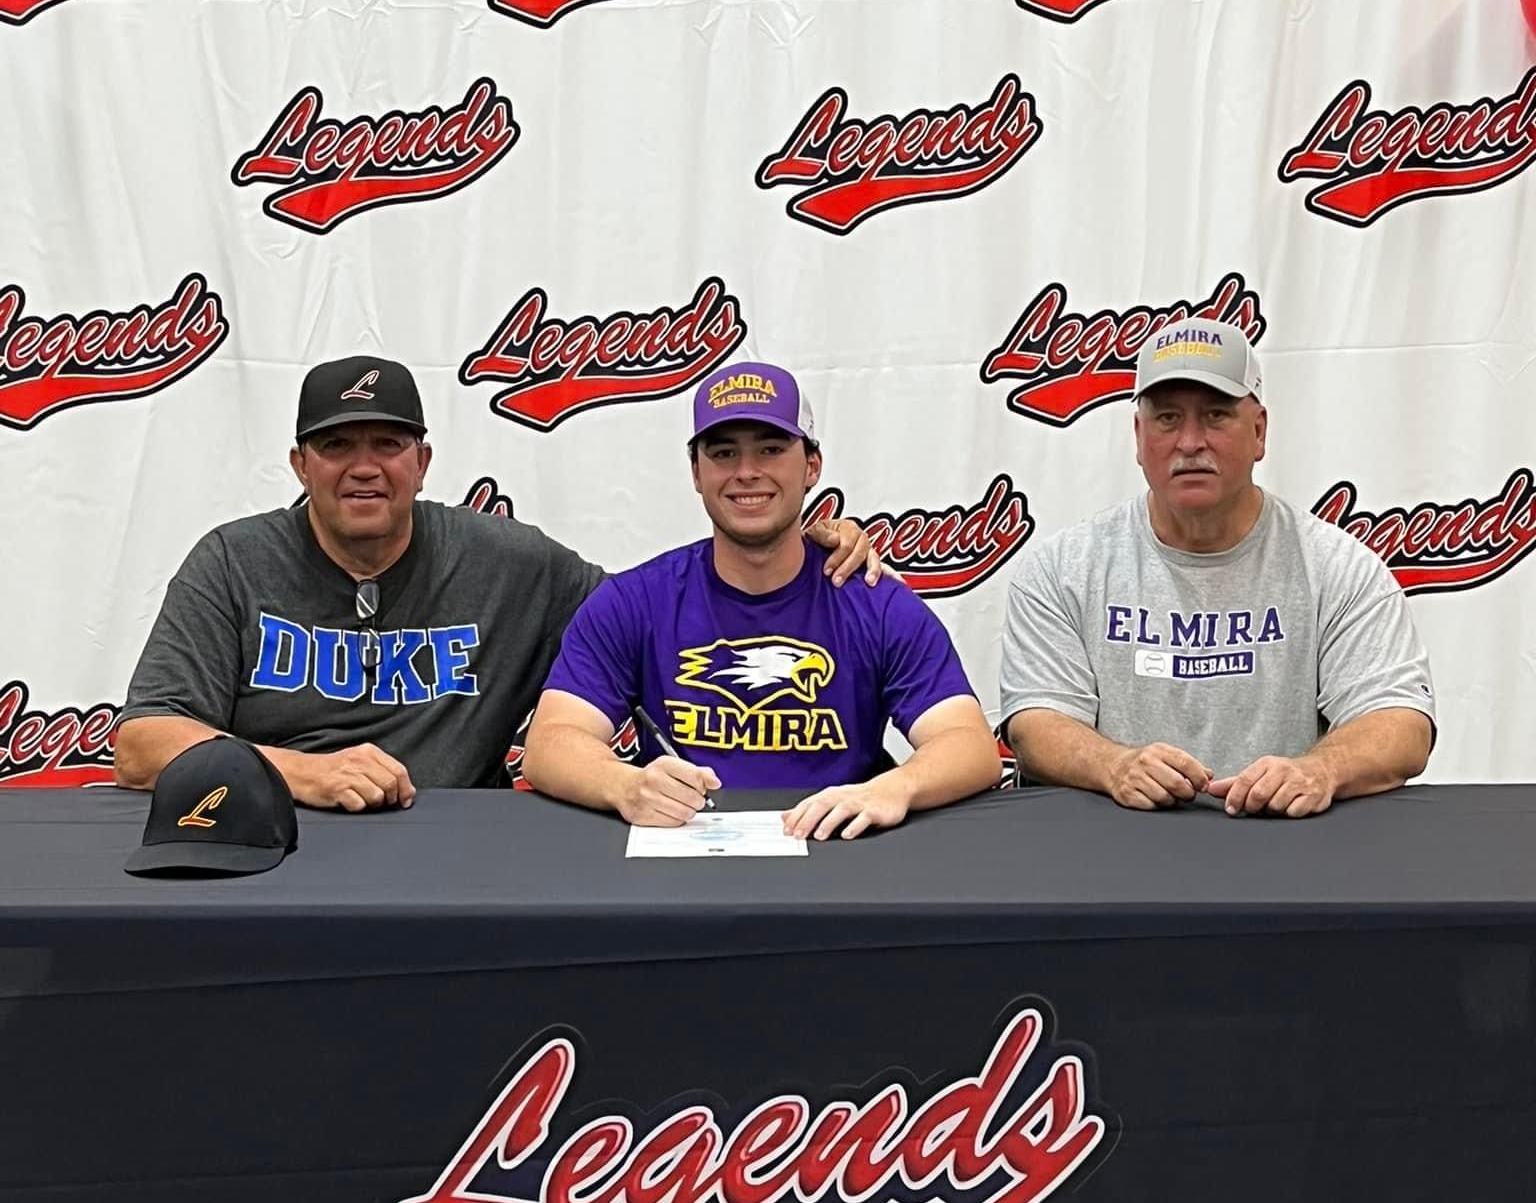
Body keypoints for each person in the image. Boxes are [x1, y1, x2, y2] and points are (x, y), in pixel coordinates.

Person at [114, 355, 877, 812]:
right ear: (299, 464)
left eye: (388, 442)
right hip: (275, 833)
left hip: (460, 845)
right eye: (337, 444)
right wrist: (302, 774)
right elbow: (143, 743)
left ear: (423, 461)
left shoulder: (509, 564)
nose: (364, 465)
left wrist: (799, 554)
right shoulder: (233, 561)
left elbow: (664, 618)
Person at [521, 361, 1000, 837]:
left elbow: (970, 746)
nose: (747, 472)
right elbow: (550, 744)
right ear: (695, 472)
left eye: (771, 450)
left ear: (812, 466)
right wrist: (623, 785)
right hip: (679, 862)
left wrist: (892, 788)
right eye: (724, 453)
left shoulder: (876, 604)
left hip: (837, 857)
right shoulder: (635, 601)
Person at [999, 316, 1435, 817]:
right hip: (1111, 853)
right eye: (1167, 418)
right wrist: (1113, 765)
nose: (1189, 442)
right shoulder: (1062, 569)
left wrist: (1319, 771)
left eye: (1215, 416)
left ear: (1258, 431)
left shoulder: (1336, 567)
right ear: (1139, 437)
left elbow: (1402, 724)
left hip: (1284, 846)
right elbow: (1036, 722)